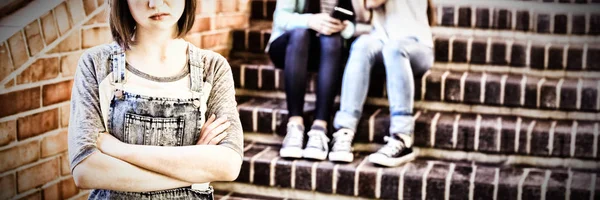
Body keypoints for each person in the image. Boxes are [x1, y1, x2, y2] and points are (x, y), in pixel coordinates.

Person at [67, 0, 243, 199]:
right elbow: (86, 171)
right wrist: (196, 175)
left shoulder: (211, 68)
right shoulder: (97, 64)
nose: (155, 3)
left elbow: (228, 165)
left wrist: (119, 149)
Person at [328, 0, 436, 166]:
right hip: (382, 40)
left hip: (416, 45)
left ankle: (403, 137)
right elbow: (363, 13)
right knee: (362, 45)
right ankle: (345, 130)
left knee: (394, 49)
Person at [267, 0, 356, 160]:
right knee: (300, 34)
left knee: (333, 39)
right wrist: (310, 21)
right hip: (289, 46)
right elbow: (280, 18)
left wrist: (342, 28)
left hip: (322, 48)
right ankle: (295, 125)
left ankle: (319, 128)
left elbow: (352, 26)